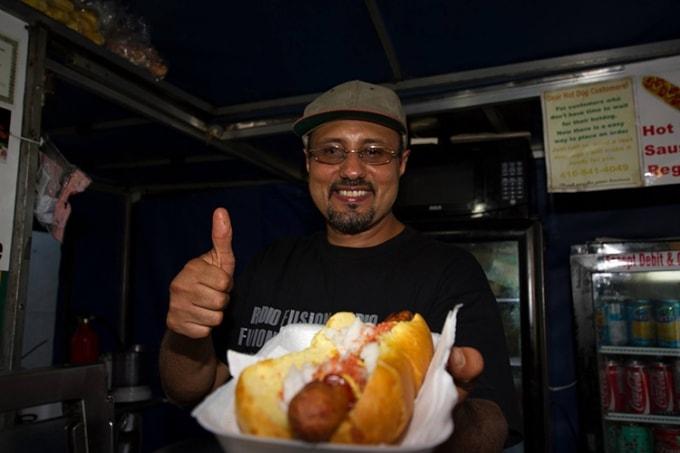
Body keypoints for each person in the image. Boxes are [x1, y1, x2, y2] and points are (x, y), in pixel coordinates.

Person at [159, 80, 522, 452]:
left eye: (374, 151)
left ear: (402, 163)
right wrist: (186, 332)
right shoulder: (270, 262)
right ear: (308, 164)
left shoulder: (450, 272)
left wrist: (443, 412)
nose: (351, 170)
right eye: (331, 151)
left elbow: (492, 426)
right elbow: (191, 389)